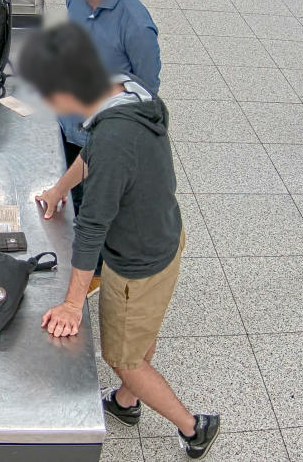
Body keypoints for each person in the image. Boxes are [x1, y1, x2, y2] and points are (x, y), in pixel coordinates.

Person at [20, 23, 219, 460]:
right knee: (139, 332)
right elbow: (95, 156)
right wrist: (57, 191)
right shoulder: (128, 92)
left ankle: (193, 427)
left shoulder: (112, 137)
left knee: (123, 356)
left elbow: (91, 228)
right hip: (167, 235)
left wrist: (73, 304)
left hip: (137, 264)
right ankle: (127, 403)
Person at [41, 0, 162, 295]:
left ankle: (93, 271)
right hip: (68, 122)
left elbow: (145, 93)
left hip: (103, 133)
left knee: (97, 206)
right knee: (74, 194)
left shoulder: (137, 26)